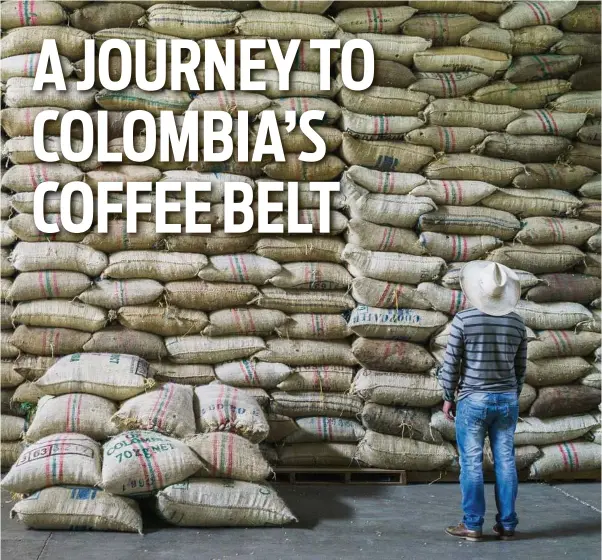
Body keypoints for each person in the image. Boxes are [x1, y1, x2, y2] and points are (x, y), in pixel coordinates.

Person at [438, 261, 527, 542]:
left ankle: (473, 525)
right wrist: (513, 393)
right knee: (506, 462)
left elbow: (451, 364)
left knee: (472, 464)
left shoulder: (464, 320)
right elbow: (520, 367)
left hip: (473, 400)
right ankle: (508, 525)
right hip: (507, 399)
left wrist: (447, 396)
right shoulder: (517, 322)